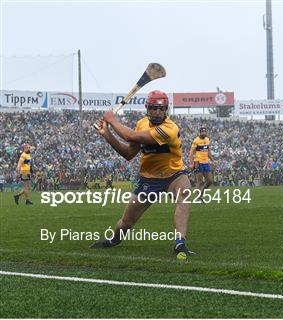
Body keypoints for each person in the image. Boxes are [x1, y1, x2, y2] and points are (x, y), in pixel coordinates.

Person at [90, 90, 195, 260]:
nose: (158, 112)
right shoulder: (141, 124)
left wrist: (111, 120)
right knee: (126, 222)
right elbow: (128, 154)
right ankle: (114, 240)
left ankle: (180, 243)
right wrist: (107, 134)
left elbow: (129, 135)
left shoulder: (169, 128)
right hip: (148, 178)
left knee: (184, 193)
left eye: (162, 109)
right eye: (154, 108)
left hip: (174, 175)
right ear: (147, 108)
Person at [189, 127, 214, 195]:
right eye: (202, 132)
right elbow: (191, 153)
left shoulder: (207, 139)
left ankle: (202, 192)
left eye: (205, 132)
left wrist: (212, 160)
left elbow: (208, 150)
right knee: (200, 182)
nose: (204, 133)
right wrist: (191, 163)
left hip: (206, 162)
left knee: (210, 181)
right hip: (198, 163)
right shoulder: (196, 140)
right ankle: (198, 198)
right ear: (200, 132)